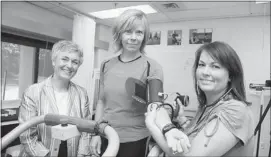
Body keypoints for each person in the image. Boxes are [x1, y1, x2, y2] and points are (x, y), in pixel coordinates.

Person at [145, 41, 255, 156]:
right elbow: (193, 139)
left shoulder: (236, 111)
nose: (205, 72)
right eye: (201, 65)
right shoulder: (207, 106)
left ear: (231, 76)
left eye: (215, 66)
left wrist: (153, 127)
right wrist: (182, 120)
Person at [90, 9, 164, 157]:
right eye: (128, 32)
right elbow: (101, 102)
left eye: (139, 33)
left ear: (144, 37)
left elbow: (157, 108)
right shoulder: (106, 64)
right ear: (119, 34)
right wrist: (96, 133)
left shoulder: (152, 67)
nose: (133, 38)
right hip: (107, 135)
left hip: (135, 140)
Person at [18, 40, 92, 157]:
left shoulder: (82, 94)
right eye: (64, 59)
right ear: (53, 61)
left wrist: (82, 155)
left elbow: (86, 130)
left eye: (75, 62)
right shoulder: (33, 92)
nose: (69, 65)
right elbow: (27, 135)